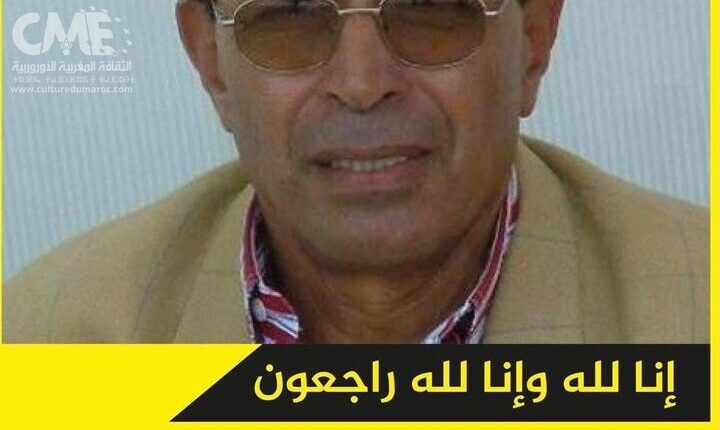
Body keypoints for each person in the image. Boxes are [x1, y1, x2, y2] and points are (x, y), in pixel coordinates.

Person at [3, 0, 708, 344]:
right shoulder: (45, 343)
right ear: (212, 64)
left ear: (533, 40)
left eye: (429, 9)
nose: (362, 83)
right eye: (290, 15)